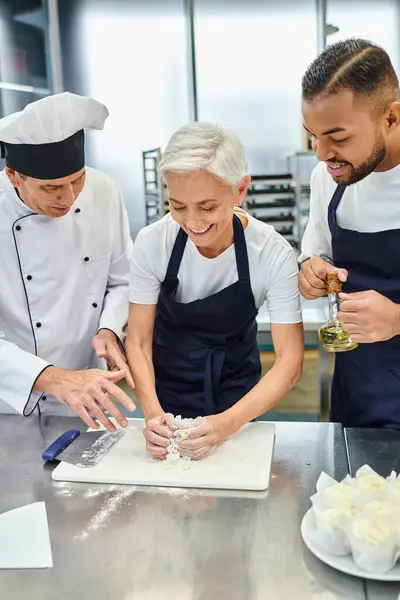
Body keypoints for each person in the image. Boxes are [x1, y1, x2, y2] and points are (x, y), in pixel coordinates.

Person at [126, 122, 303, 460]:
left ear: (240, 190)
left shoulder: (272, 252)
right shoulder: (153, 242)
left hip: (239, 397)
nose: (192, 221)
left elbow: (290, 362)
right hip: (167, 389)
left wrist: (228, 423)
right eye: (177, 206)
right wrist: (151, 413)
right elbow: (137, 340)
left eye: (207, 207)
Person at [0, 92, 136, 432]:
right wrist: (51, 378)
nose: (69, 197)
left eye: (77, 180)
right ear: (14, 176)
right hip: (10, 401)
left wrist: (109, 328)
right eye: (51, 188)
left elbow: (122, 280)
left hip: (88, 393)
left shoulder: (104, 190)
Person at [299, 38, 400, 428]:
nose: (322, 154)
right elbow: (317, 253)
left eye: (338, 138)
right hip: (360, 389)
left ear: (391, 118)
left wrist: (396, 319)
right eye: (313, 135)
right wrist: (312, 269)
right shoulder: (329, 177)